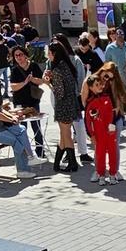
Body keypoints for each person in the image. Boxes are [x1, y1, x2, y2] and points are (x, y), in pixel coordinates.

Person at [82, 64, 126, 184]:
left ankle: (114, 171)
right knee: (99, 149)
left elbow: (118, 98)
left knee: (114, 147)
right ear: (103, 70)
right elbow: (84, 101)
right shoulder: (91, 80)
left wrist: (117, 108)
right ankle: (99, 171)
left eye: (111, 78)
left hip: (114, 119)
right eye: (106, 76)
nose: (107, 79)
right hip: (98, 122)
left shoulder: (112, 83)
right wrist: (93, 116)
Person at [44, 35, 81, 173]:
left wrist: (49, 84)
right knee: (64, 135)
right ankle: (57, 164)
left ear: (54, 54)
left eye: (49, 53)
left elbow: (59, 92)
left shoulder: (57, 70)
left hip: (63, 105)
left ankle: (72, 163)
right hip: (71, 103)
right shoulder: (67, 66)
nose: (48, 56)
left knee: (66, 136)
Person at [6, 45, 46, 156]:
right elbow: (13, 87)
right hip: (19, 103)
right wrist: (24, 82)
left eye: (20, 54)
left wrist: (32, 79)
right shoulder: (14, 69)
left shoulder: (34, 66)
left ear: (25, 55)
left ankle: (40, 151)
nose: (18, 57)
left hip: (33, 101)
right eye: (16, 55)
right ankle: (26, 152)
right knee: (22, 128)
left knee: (36, 126)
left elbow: (41, 81)